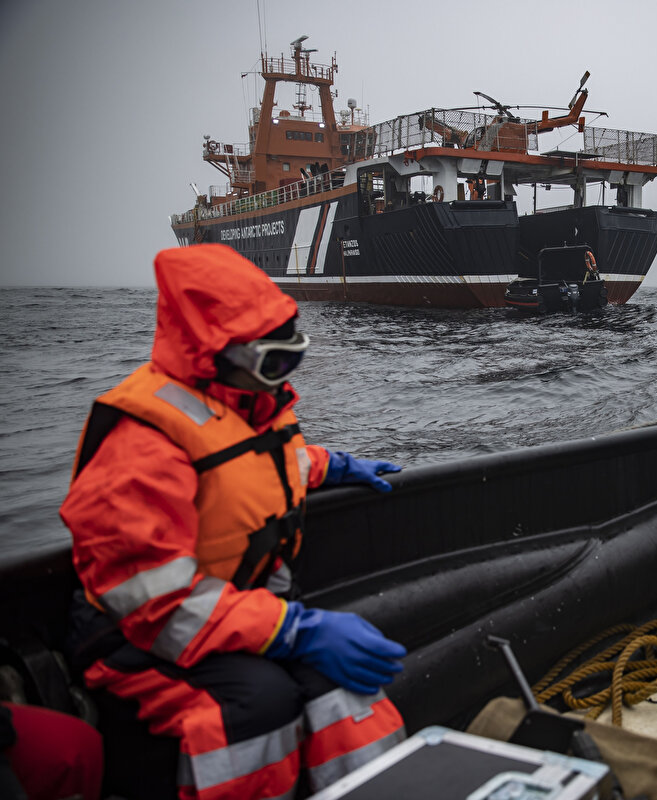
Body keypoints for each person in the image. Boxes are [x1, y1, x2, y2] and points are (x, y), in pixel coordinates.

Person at [60, 244, 410, 800]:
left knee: (341, 683)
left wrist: (337, 466)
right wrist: (296, 631)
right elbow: (153, 603)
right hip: (138, 638)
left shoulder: (249, 404)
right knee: (257, 705)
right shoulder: (142, 445)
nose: (282, 381)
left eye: (294, 359)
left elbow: (265, 466)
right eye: (274, 365)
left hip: (233, 610)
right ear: (217, 357)